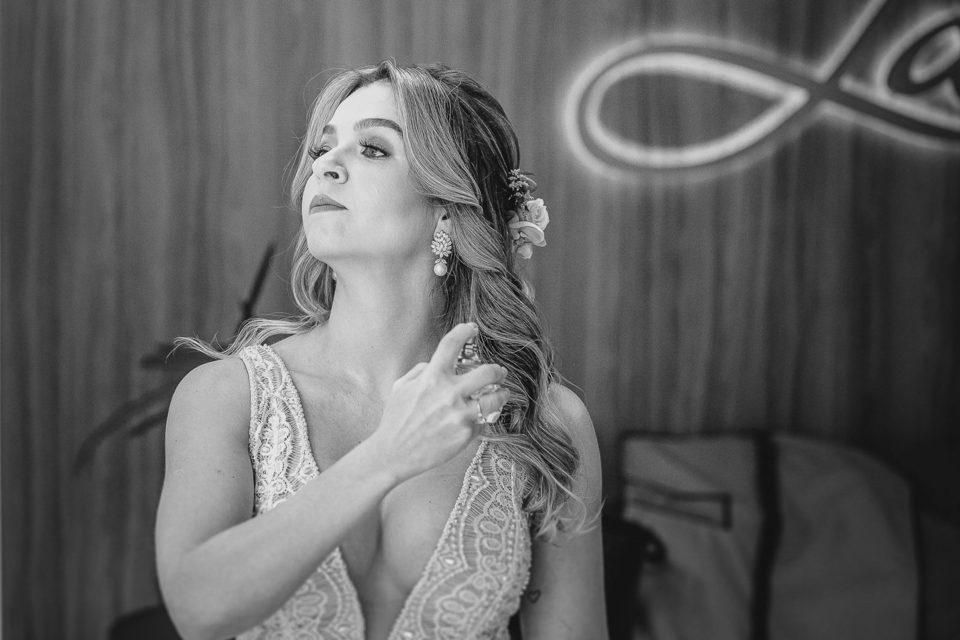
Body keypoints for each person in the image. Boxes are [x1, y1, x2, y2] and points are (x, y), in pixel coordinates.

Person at [155, 60, 607, 640]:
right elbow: (197, 608)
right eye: (322, 148)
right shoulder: (226, 396)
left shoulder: (545, 422)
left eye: (372, 149)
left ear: (448, 208)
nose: (325, 166)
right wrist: (388, 454)